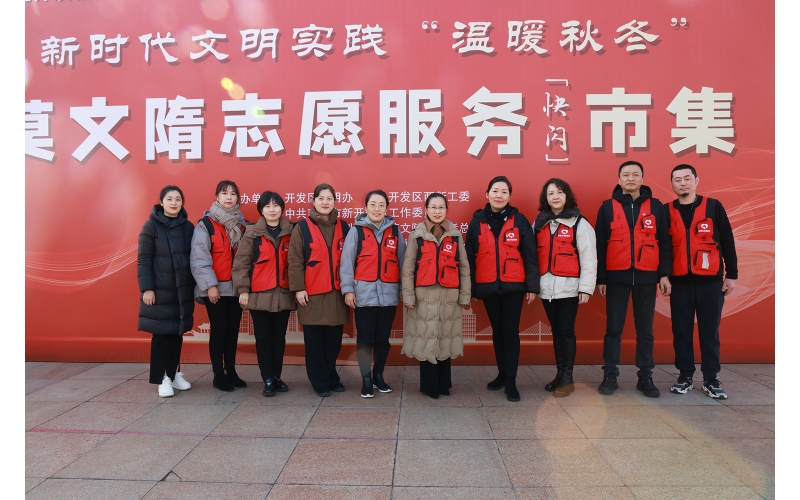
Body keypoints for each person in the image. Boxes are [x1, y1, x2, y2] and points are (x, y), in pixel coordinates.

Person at [595, 161, 672, 398]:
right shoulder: (607, 207)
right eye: (626, 175)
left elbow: (665, 242)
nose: (630, 178)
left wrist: (664, 274)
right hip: (616, 277)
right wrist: (601, 278)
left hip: (647, 277)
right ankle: (610, 374)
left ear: (642, 179)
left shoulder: (656, 207)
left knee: (645, 329)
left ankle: (645, 376)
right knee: (613, 328)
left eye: (635, 174)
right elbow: (599, 244)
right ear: (618, 179)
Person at [666, 164, 737, 399]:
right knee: (681, 332)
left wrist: (732, 275)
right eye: (677, 179)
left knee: (709, 332)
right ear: (672, 184)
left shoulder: (713, 206)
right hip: (680, 284)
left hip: (710, 283)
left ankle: (710, 378)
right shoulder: (666, 211)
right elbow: (663, 247)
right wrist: (663, 276)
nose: (682, 183)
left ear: (696, 181)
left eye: (687, 178)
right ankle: (685, 376)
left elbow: (727, 240)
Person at [465, 176, 538, 402]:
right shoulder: (477, 222)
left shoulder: (520, 220)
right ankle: (502, 374)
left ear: (509, 196)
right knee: (497, 330)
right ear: (487, 194)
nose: (499, 195)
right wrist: (472, 289)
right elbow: (469, 258)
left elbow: (530, 254)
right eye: (495, 191)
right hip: (487, 285)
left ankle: (512, 381)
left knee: (510, 330)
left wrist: (532, 286)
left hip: (514, 285)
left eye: (504, 192)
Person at [401, 193, 471, 399]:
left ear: (446, 210)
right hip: (424, 297)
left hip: (450, 297)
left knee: (445, 338)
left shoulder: (455, 235)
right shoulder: (417, 235)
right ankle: (429, 385)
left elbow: (464, 268)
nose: (437, 211)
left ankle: (444, 384)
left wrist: (465, 296)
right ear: (426, 209)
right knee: (427, 338)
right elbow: (408, 269)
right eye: (433, 207)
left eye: (441, 207)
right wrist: (409, 298)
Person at [533, 178, 597, 398]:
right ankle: (560, 374)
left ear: (567, 195)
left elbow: (589, 257)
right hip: (546, 288)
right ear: (546, 198)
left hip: (569, 288)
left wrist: (586, 288)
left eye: (560, 192)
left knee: (567, 331)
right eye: (551, 193)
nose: (555, 197)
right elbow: (531, 255)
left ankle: (568, 378)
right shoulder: (539, 223)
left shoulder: (579, 223)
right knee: (556, 330)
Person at [340, 190, 406, 398]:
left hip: (388, 295)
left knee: (382, 341)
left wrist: (404, 290)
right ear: (366, 207)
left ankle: (378, 376)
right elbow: (346, 263)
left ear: (386, 208)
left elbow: (403, 263)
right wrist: (348, 290)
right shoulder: (356, 231)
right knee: (365, 340)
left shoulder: (395, 231)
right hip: (364, 296)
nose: (377, 209)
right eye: (373, 204)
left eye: (381, 205)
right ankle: (366, 379)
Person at [288, 183, 351, 397]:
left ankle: (331, 376)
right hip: (312, 294)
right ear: (313, 201)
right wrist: (298, 289)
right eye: (321, 198)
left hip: (337, 293)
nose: (325, 202)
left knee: (333, 341)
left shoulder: (344, 227)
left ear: (335, 201)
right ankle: (319, 381)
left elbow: (350, 260)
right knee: (315, 342)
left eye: (329, 198)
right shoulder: (302, 227)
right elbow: (295, 261)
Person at [232, 191, 296, 397]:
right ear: (261, 209)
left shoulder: (292, 232)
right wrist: (243, 289)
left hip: (283, 294)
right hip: (259, 295)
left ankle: (276, 376)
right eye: (267, 206)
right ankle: (267, 378)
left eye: (276, 205)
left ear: (282, 208)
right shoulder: (252, 233)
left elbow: (297, 263)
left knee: (279, 338)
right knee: (263, 339)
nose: (272, 210)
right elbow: (241, 263)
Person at [137, 186, 196, 397]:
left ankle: (173, 374)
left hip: (181, 291)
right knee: (161, 335)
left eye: (178, 199)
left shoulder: (188, 227)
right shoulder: (151, 226)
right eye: (169, 199)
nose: (174, 203)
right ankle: (161, 378)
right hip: (160, 291)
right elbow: (144, 259)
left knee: (177, 334)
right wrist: (147, 288)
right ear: (161, 202)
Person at [190, 180, 248, 392]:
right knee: (219, 330)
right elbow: (199, 258)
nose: (229, 197)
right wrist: (210, 286)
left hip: (236, 289)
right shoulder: (206, 225)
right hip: (215, 288)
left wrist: (244, 287)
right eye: (224, 193)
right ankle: (218, 374)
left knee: (232, 331)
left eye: (233, 193)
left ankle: (230, 371)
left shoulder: (242, 225)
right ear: (217, 197)